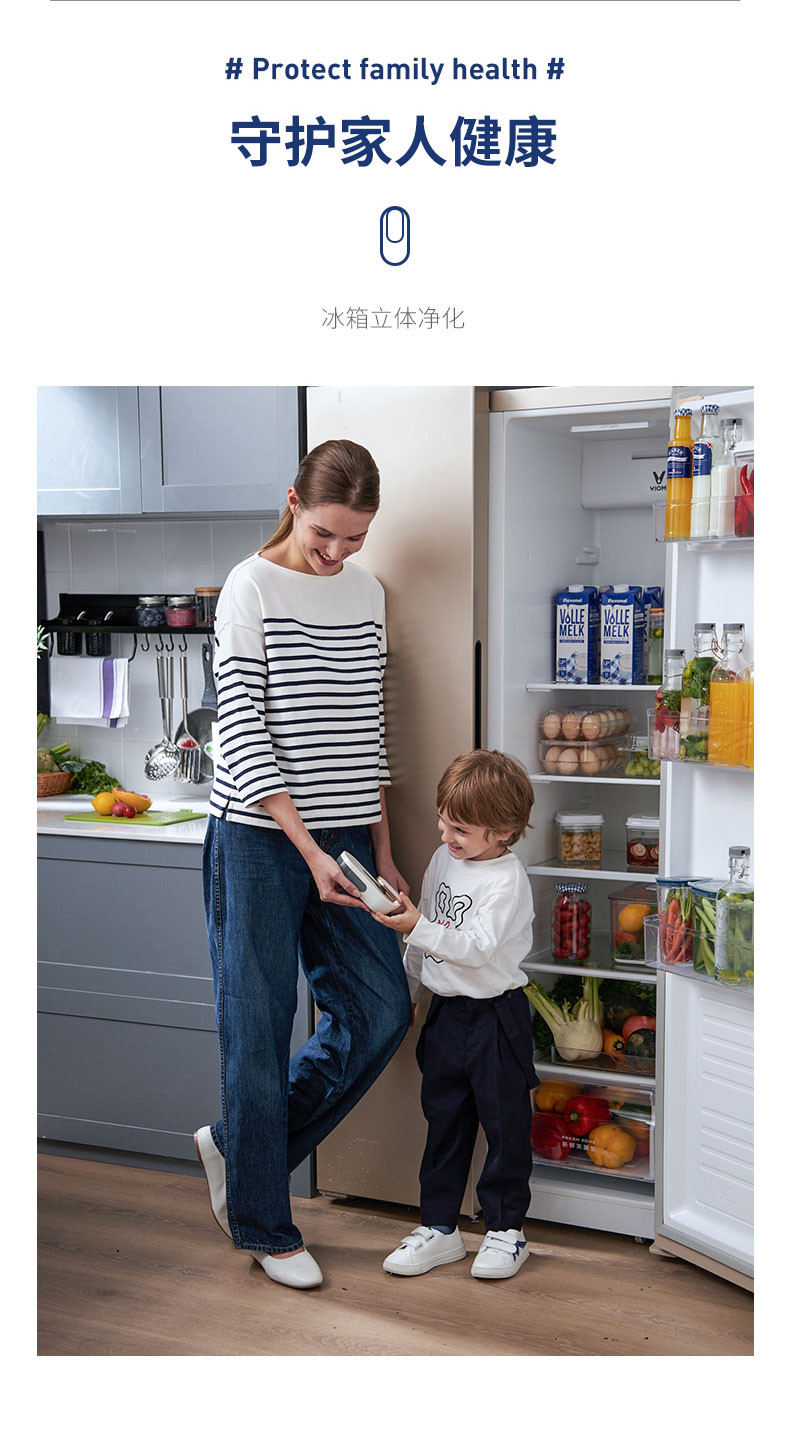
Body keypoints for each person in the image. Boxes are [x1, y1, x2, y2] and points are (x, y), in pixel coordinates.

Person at [195, 439, 412, 1290]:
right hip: (257, 836)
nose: (337, 554)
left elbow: (369, 727)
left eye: (354, 539)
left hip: (350, 839)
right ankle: (263, 1224)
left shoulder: (367, 593)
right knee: (255, 1027)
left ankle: (240, 1149)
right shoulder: (249, 588)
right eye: (325, 534)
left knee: (382, 1009)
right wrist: (309, 846)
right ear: (293, 502)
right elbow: (241, 731)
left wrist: (381, 848)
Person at [371, 750, 539, 1281]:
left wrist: (415, 927)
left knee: (506, 1126)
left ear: (504, 831)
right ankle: (440, 1229)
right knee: (444, 1121)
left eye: (460, 829)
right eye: (443, 822)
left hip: (496, 1019)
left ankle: (506, 1230)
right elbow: (421, 940)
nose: (446, 836)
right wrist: (410, 990)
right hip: (446, 1015)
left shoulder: (507, 881)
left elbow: (477, 948)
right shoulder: (444, 861)